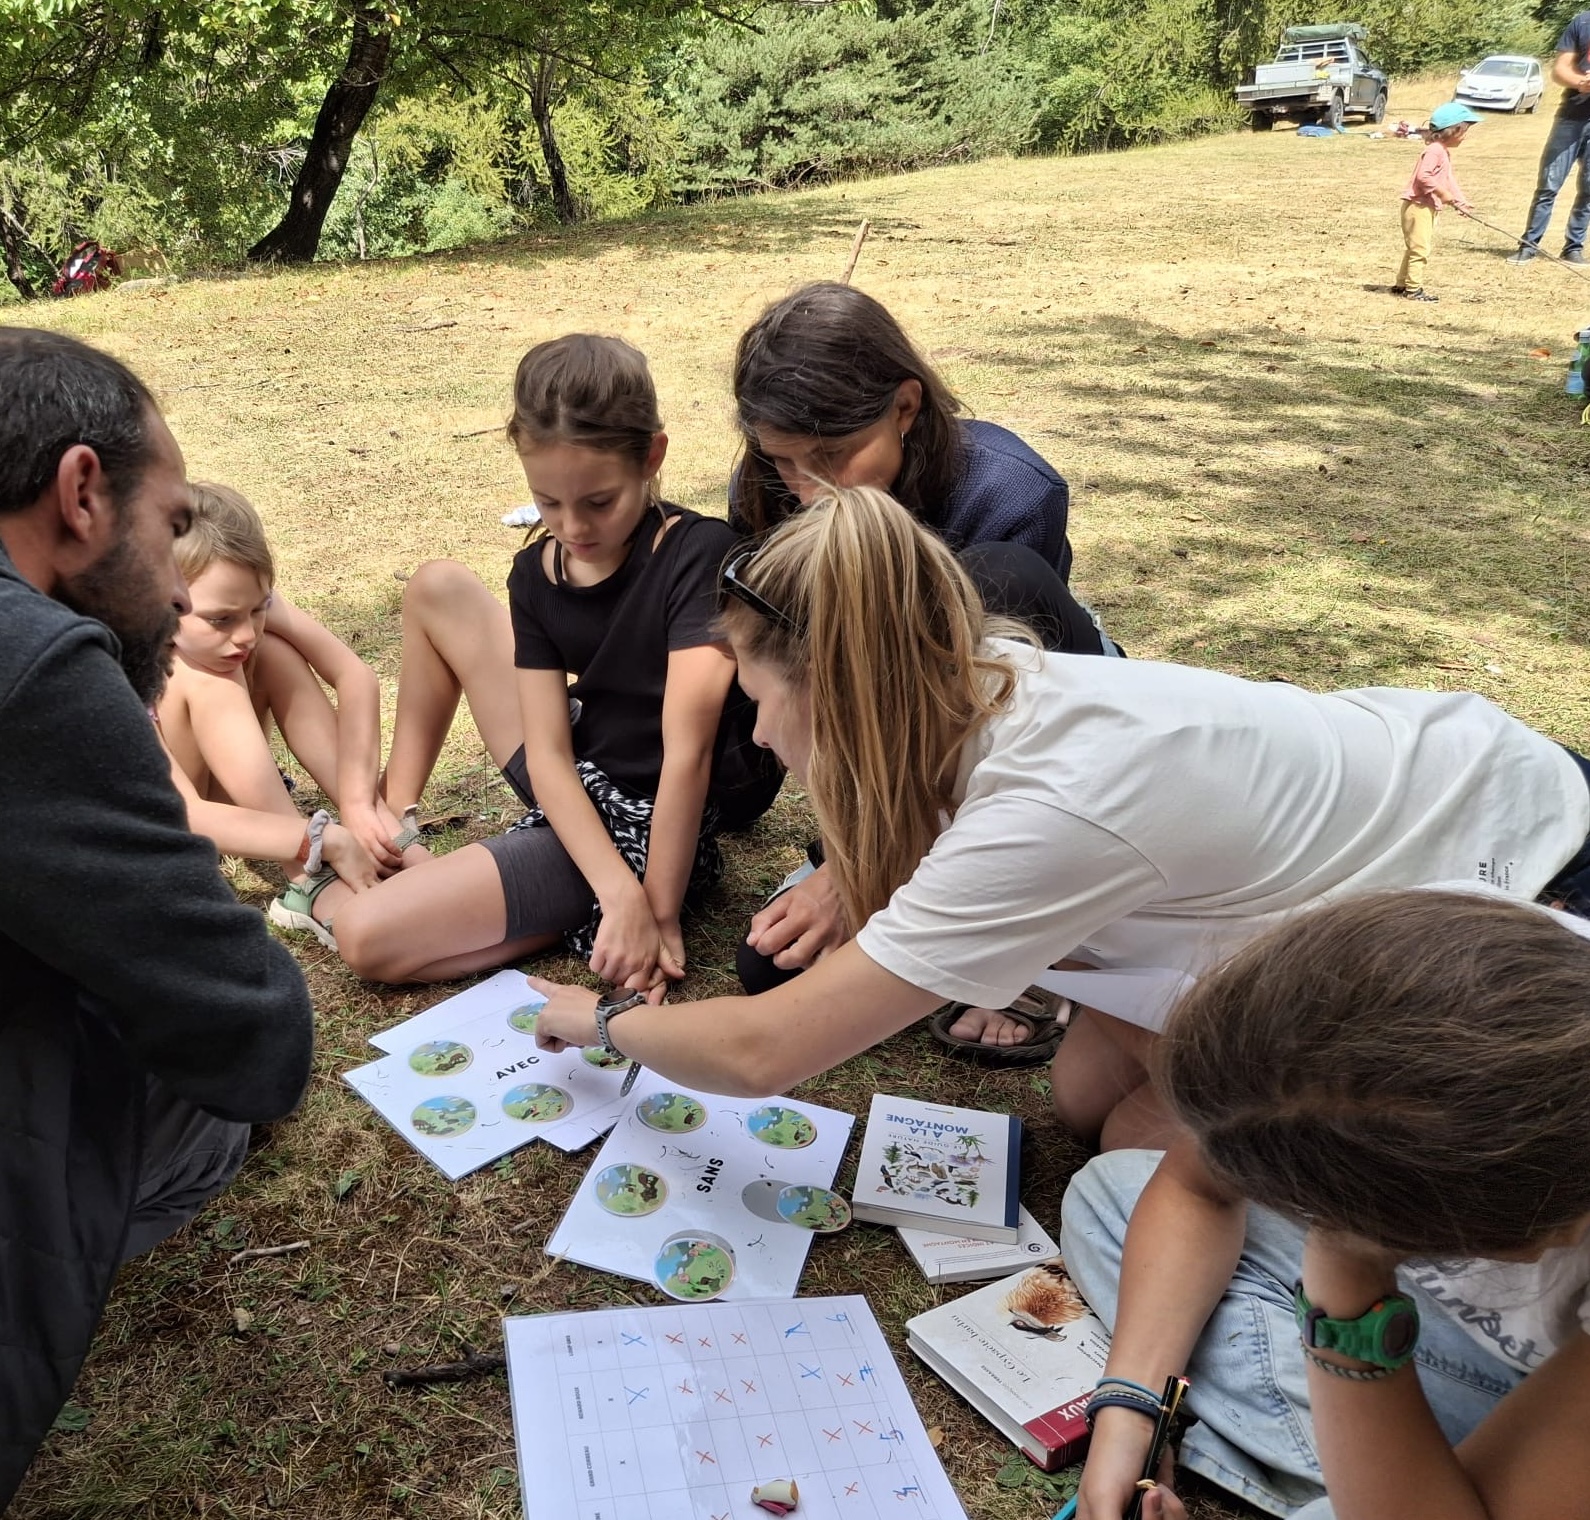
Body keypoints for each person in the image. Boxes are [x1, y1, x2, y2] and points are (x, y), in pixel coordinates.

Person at [528, 486, 1590, 1147]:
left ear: (847, 697)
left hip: (1520, 875)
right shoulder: (970, 673)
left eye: (766, 702)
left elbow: (766, 1049)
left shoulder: (1043, 808)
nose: (760, 739)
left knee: (1135, 1134)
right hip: (1440, 774)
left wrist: (592, 1018)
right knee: (1085, 1105)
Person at [0, 327, 312, 1505]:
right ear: (82, 492)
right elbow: (252, 1034)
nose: (180, 585)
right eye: (167, 521)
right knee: (203, 1116)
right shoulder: (37, 662)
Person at [1061, 888, 1590, 1520]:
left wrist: (1345, 1283)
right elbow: (1192, 1187)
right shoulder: (1433, 961)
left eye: (1321, 1215)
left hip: (1550, 1391)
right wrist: (1131, 1409)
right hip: (1475, 1319)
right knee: (1113, 1191)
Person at [288, 333, 777, 985]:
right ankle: (393, 830)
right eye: (548, 502)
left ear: (651, 456)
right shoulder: (538, 573)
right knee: (437, 585)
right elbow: (547, 754)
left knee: (364, 933)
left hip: (641, 823)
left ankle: (325, 894)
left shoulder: (699, 555)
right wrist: (618, 895)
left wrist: (651, 910)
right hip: (574, 777)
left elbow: (683, 757)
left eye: (598, 501)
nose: (573, 526)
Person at [729, 280, 1119, 1004]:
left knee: (1002, 580)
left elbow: (1003, 725)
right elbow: (814, 685)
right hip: (890, 758)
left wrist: (849, 879)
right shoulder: (766, 487)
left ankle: (1030, 914)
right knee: (768, 970)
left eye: (834, 455)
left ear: (905, 408)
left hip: (1010, 720)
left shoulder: (1010, 495)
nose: (810, 492)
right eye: (785, 461)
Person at [156, 481, 406, 943]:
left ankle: (382, 833)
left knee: (273, 651)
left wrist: (353, 801)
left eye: (259, 607)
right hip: (173, 831)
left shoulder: (236, 602)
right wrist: (314, 839)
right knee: (209, 673)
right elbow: (181, 812)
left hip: (229, 802)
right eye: (221, 619)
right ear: (161, 598)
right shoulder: (121, 653)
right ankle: (306, 875)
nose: (245, 631)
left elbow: (355, 676)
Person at [1507, 11, 1590, 265]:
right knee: (1549, 185)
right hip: (1572, 116)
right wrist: (1580, 82)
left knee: (1589, 189)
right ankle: (1529, 245)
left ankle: (1573, 247)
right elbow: (1559, 70)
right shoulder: (1583, 22)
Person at [1392, 101, 1478, 302]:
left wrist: (1460, 201)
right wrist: (1442, 193)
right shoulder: (1434, 151)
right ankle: (1413, 290)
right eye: (1464, 132)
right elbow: (1424, 176)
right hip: (1418, 207)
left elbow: (1448, 179)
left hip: (1425, 207)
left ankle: (1402, 284)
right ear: (1453, 131)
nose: (1465, 137)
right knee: (1420, 249)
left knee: (1415, 247)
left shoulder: (1442, 152)